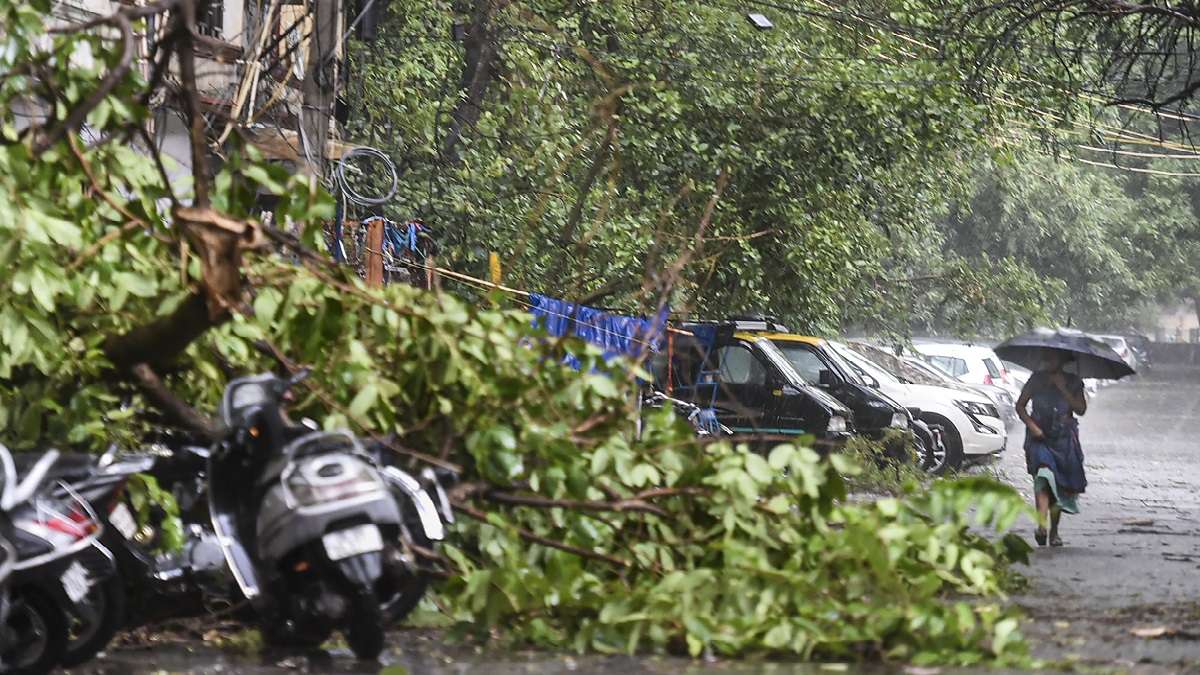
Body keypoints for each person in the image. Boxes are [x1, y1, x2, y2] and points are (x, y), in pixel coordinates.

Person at [1016, 349, 1088, 547]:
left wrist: (1063, 388)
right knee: (1043, 477)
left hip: (1064, 439)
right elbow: (1020, 406)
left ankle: (1054, 532)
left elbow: (1081, 409)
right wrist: (1032, 426)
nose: (1049, 361)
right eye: (1046, 357)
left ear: (1063, 360)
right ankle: (1041, 525)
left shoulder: (1074, 382)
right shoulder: (1036, 380)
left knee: (1057, 485)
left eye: (1053, 357)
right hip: (1040, 436)